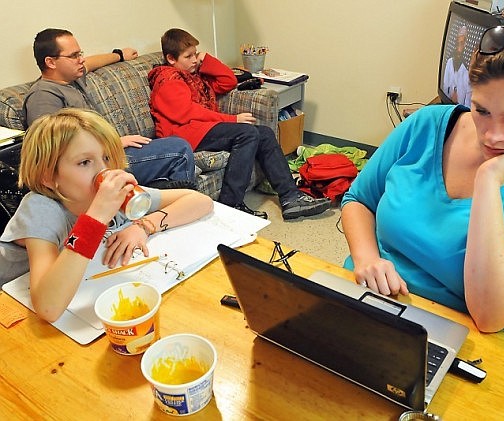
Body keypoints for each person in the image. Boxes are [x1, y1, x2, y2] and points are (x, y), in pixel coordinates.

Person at [341, 21, 504, 349]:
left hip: (457, 339)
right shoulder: (427, 124)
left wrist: (489, 181)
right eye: (482, 109)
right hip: (364, 297)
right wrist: (366, 258)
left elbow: (493, 317)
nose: (491, 135)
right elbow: (359, 199)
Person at [0, 109, 214, 322]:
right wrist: (96, 217)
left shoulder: (114, 196)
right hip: (16, 303)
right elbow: (48, 308)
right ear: (48, 177)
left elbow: (199, 201)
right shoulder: (41, 208)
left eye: (107, 157)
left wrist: (143, 226)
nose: (105, 172)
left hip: (78, 285)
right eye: (84, 162)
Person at [148, 28, 331, 220]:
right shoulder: (168, 79)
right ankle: (231, 203)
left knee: (265, 133)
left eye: (195, 54)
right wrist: (232, 119)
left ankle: (291, 197)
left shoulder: (194, 76)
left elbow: (228, 81)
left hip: (200, 129)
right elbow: (186, 112)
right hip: (183, 136)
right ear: (171, 59)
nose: (194, 60)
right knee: (247, 133)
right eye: (188, 56)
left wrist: (206, 59)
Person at [24, 28, 197, 189]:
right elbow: (53, 151)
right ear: (51, 62)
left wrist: (119, 55)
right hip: (96, 165)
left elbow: (91, 63)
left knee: (176, 144)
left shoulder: (71, 78)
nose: (81, 59)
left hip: (109, 152)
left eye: (80, 53)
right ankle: (172, 208)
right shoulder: (43, 96)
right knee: (179, 150)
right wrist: (112, 144)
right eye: (74, 55)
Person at [443, 25, 472, 107]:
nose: (459, 48)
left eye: (462, 43)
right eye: (458, 43)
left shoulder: (468, 71)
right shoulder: (450, 62)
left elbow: (467, 106)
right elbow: (445, 88)